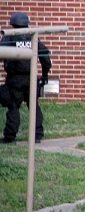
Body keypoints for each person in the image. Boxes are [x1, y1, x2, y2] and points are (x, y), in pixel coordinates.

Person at [0, 12, 51, 144]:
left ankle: (10, 137)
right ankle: (37, 135)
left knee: (13, 107)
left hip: (14, 79)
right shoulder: (33, 36)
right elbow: (45, 57)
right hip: (31, 78)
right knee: (34, 106)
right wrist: (45, 74)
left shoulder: (10, 37)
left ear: (13, 24)